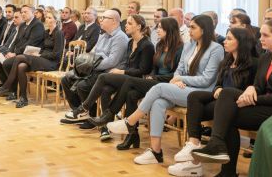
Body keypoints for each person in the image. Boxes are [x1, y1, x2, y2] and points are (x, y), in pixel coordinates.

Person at [107, 14, 224, 165]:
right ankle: (155, 152)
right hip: (183, 88)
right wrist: (177, 80)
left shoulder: (216, 49)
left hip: (202, 92)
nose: (189, 30)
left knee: (159, 87)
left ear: (205, 29)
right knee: (158, 103)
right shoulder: (189, 45)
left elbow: (207, 79)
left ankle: (130, 122)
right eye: (189, 27)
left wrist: (181, 79)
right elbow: (179, 70)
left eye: (193, 27)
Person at [191, 19, 272, 177]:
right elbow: (258, 86)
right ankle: (227, 171)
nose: (260, 38)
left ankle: (216, 145)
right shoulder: (266, 58)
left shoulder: (259, 60)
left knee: (228, 99)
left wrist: (255, 97)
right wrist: (252, 88)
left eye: (266, 35)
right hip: (261, 104)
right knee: (227, 109)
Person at [168, 27, 257, 177]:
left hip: (236, 103)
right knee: (194, 97)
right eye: (226, 38)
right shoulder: (226, 61)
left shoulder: (253, 64)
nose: (225, 41)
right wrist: (218, 87)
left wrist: (224, 91)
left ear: (240, 42)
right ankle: (193, 143)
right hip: (220, 99)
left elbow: (252, 90)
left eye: (229, 39)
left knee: (220, 111)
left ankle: (207, 161)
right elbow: (219, 83)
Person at [89, 17, 184, 147]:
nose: (158, 30)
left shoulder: (180, 48)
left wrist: (154, 78)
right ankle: (132, 136)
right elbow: (153, 68)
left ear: (170, 30)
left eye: (161, 28)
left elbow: (176, 74)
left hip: (167, 84)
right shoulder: (160, 44)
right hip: (153, 81)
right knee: (131, 94)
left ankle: (109, 113)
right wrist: (152, 76)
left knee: (125, 80)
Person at [67, 14, 154, 140]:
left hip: (137, 80)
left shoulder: (147, 45)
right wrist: (121, 71)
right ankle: (105, 128)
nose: (126, 25)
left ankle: (85, 107)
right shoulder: (131, 42)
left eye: (130, 23)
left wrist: (122, 72)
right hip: (127, 77)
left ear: (139, 26)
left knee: (103, 77)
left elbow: (143, 70)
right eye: (127, 23)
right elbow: (126, 64)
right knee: (105, 89)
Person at [60, 9, 129, 130]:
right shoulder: (103, 35)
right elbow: (93, 52)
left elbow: (112, 61)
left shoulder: (120, 38)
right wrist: (89, 63)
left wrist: (91, 65)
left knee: (82, 85)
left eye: (104, 18)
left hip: (108, 72)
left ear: (113, 21)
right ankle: (78, 112)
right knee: (66, 79)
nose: (100, 20)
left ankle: (90, 116)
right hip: (95, 68)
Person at [0, 9, 64, 108]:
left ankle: (7, 85)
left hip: (52, 62)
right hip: (42, 59)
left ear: (56, 20)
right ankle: (23, 98)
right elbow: (42, 48)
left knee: (20, 57)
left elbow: (57, 54)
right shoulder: (46, 32)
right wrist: (36, 52)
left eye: (50, 18)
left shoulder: (59, 33)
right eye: (46, 17)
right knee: (21, 66)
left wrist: (40, 55)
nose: (47, 20)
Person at [0, 5, 45, 101]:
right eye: (22, 12)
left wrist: (15, 53)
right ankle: (11, 89)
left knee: (7, 63)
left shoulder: (37, 25)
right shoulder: (23, 25)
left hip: (31, 54)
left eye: (26, 12)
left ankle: (10, 88)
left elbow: (31, 43)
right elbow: (17, 41)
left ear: (32, 13)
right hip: (20, 53)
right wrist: (10, 52)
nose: (23, 14)